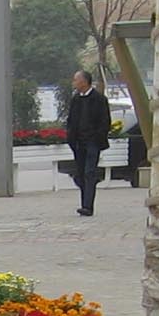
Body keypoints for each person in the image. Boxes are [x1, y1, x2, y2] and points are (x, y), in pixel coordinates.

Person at [64, 70, 111, 217]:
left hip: (92, 143)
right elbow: (71, 120)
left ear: (84, 82)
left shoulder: (99, 99)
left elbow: (105, 122)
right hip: (78, 143)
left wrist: (97, 137)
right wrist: (71, 137)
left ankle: (87, 206)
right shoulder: (76, 99)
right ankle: (85, 201)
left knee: (89, 173)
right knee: (80, 174)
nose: (74, 83)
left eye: (76, 80)